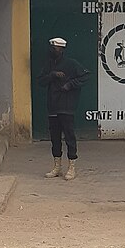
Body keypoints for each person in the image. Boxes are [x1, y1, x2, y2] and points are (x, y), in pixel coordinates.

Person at [38, 37, 90, 180]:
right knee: (55, 138)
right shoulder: (48, 65)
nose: (52, 51)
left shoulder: (71, 64)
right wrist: (52, 75)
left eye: (54, 48)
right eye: (51, 48)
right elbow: (41, 81)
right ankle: (57, 167)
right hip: (52, 106)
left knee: (69, 137)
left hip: (67, 106)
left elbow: (85, 76)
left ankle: (71, 167)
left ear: (61, 50)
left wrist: (70, 85)